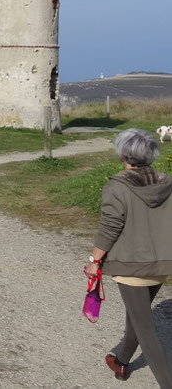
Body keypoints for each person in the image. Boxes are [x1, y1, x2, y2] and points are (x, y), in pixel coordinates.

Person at [85, 128, 172, 386]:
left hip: (132, 265)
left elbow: (110, 226)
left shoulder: (117, 185)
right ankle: (121, 361)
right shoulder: (167, 181)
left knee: (146, 330)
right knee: (138, 315)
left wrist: (94, 261)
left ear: (123, 155)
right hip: (161, 263)